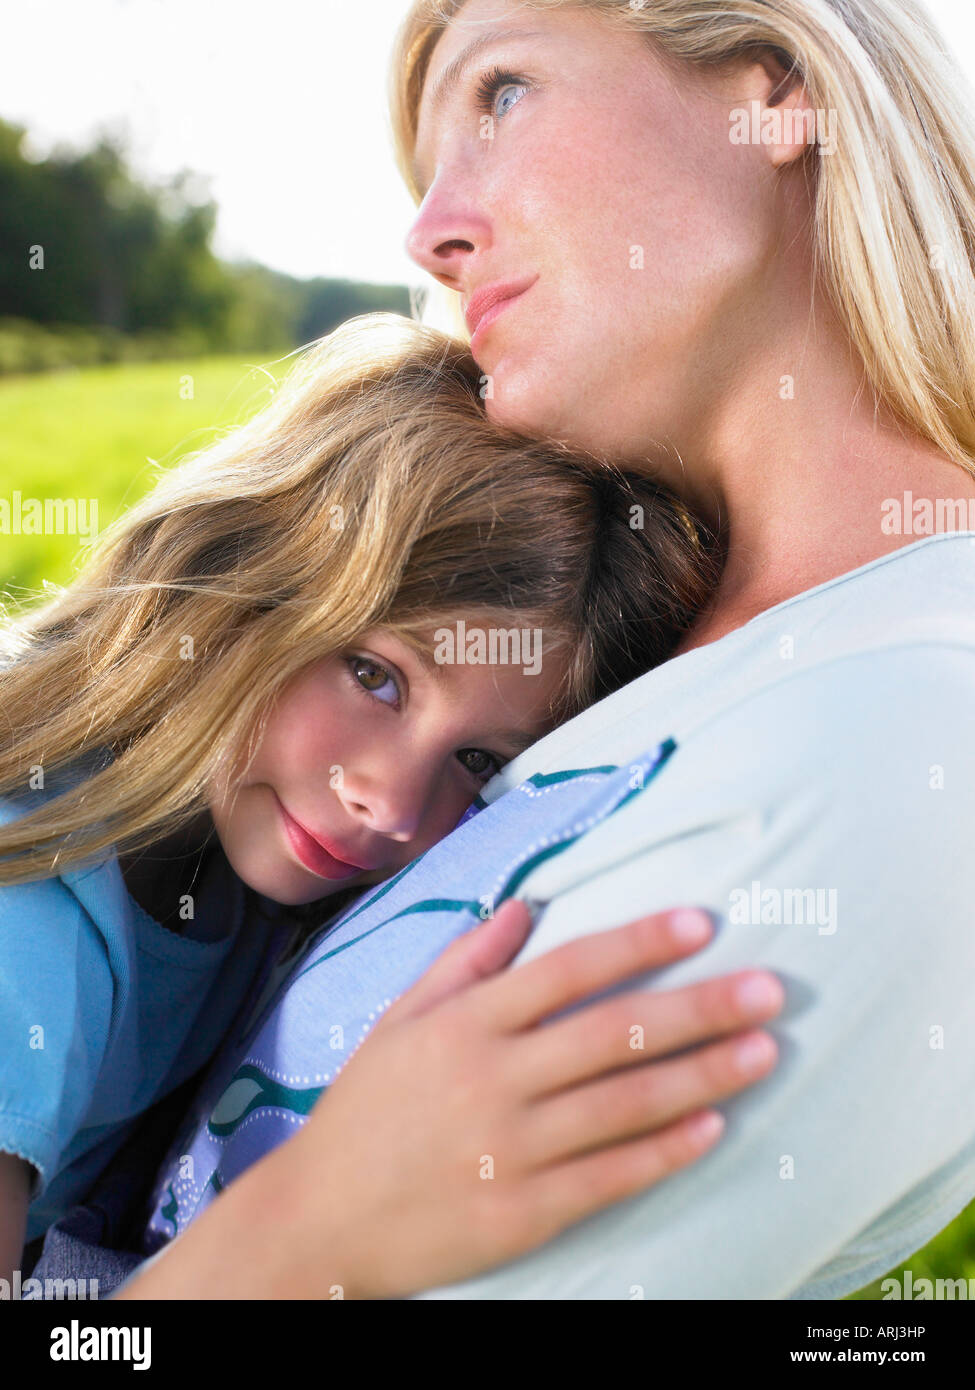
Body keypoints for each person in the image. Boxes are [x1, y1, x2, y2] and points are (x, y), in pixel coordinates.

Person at [110, 0, 975, 1300]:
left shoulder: (907, 733)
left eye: (499, 94)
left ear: (776, 91)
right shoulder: (630, 644)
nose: (427, 231)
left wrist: (279, 1239)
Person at [0, 312, 784, 1291]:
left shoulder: (229, 851)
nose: (387, 800)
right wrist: (319, 1213)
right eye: (374, 675)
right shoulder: (28, 903)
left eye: (475, 756)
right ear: (235, 576)